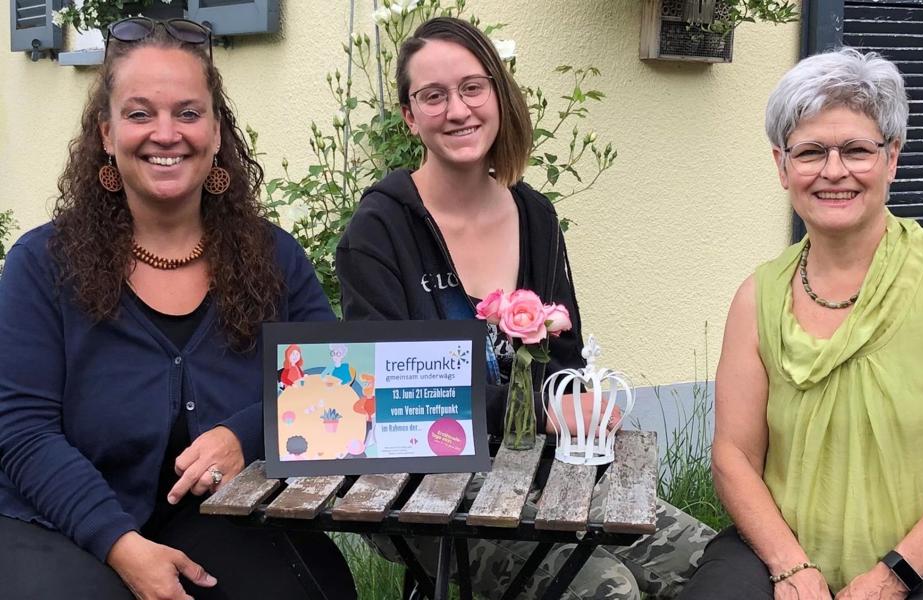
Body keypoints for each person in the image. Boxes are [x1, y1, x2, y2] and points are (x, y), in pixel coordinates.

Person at [336, 16, 713, 600]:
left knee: (715, 567)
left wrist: (582, 403)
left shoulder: (534, 215)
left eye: (471, 87)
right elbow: (386, 393)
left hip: (546, 469)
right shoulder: (379, 229)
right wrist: (540, 410)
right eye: (432, 96)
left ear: (498, 94)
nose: (457, 110)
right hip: (425, 487)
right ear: (410, 117)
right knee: (605, 590)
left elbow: (564, 357)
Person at [0, 17, 356, 600]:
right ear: (107, 133)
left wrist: (248, 434)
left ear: (216, 133)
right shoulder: (43, 262)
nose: (166, 133)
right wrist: (120, 544)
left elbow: (331, 384)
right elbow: (22, 433)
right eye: (140, 114)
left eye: (188, 113)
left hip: (220, 517)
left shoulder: (273, 258)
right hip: (58, 517)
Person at [682, 47, 923, 600]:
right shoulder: (759, 295)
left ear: (892, 158)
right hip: (788, 549)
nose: (834, 171)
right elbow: (734, 455)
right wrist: (790, 565)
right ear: (781, 165)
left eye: (856, 150)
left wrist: (892, 575)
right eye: (811, 151)